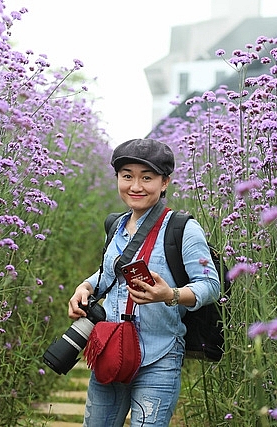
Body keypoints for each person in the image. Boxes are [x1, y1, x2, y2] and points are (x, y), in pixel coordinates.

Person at [68, 138, 220, 427]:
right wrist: (86, 288)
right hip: (111, 348)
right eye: (127, 176)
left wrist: (170, 294)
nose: (135, 186)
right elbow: (108, 275)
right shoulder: (115, 225)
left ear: (165, 183)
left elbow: (210, 285)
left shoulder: (183, 229)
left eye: (146, 178)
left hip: (159, 356)